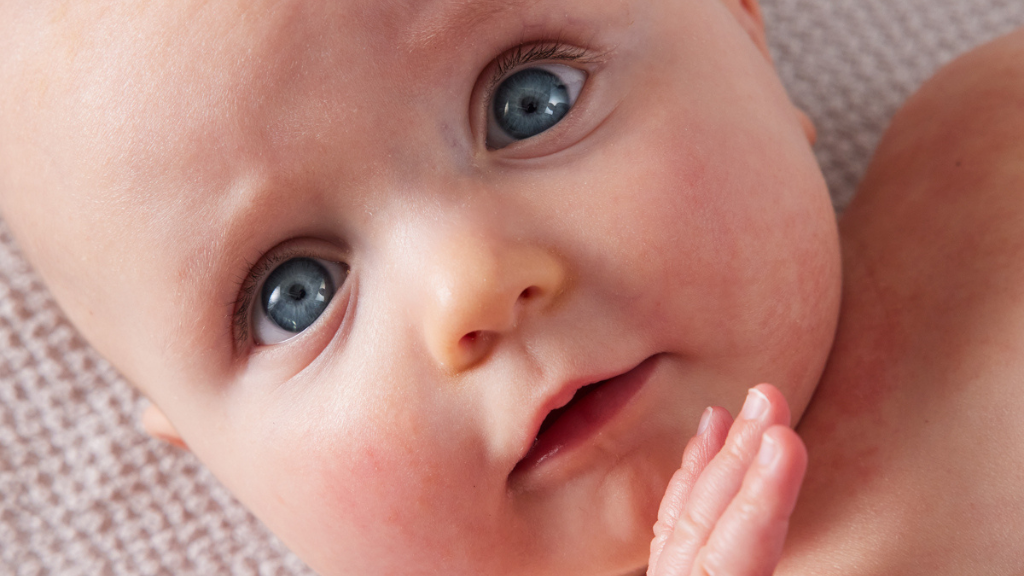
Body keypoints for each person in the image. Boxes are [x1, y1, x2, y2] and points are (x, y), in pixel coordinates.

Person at [0, 0, 1020, 574]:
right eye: (295, 294)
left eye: (530, 100)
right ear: (202, 442)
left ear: (741, 30)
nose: (471, 291)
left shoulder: (988, 160)